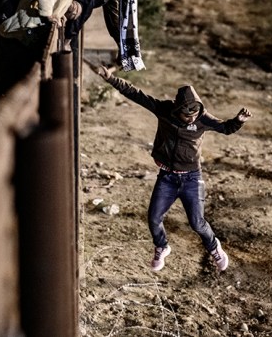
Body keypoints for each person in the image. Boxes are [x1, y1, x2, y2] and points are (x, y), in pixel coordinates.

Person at [94, 65, 252, 272]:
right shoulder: (164, 110)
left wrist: (238, 121)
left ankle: (214, 247)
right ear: (177, 110)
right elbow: (136, 94)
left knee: (197, 223)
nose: (191, 119)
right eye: (187, 116)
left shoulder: (203, 118)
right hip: (167, 177)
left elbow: (226, 128)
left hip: (192, 178)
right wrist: (111, 79)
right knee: (153, 218)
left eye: (194, 115)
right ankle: (161, 246)